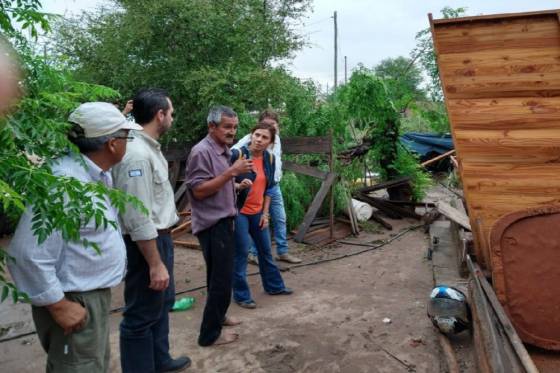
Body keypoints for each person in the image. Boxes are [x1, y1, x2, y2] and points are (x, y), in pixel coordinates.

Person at [7, 102, 143, 372]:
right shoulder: (66, 184)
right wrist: (57, 305)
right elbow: (25, 253)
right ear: (113, 144)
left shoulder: (93, 175)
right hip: (75, 299)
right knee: (79, 366)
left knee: (92, 364)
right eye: (126, 136)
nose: (128, 143)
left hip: (89, 296)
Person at [112, 89, 190, 372]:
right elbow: (137, 217)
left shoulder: (147, 147)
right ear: (160, 115)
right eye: (170, 112)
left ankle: (160, 360)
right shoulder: (136, 155)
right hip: (146, 244)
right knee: (140, 315)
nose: (172, 117)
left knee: (160, 304)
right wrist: (155, 263)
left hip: (160, 238)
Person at [185, 105, 252, 346]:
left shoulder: (222, 150)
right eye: (227, 127)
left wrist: (235, 186)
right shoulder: (201, 152)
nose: (232, 131)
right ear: (211, 126)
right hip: (213, 225)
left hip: (225, 220)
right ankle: (209, 335)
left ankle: (219, 316)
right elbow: (199, 190)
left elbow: (215, 184)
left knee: (218, 277)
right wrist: (231, 173)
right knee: (222, 280)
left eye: (234, 127)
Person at [231, 122, 293, 309]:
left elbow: (270, 189)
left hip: (258, 212)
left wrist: (265, 214)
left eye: (264, 137)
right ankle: (241, 295)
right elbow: (222, 179)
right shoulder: (237, 155)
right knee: (241, 253)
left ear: (271, 142)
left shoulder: (270, 159)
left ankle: (274, 286)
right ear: (251, 135)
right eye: (256, 135)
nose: (259, 140)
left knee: (265, 251)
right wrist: (237, 186)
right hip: (239, 212)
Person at [233, 109, 302, 265]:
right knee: (257, 219)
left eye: (273, 124)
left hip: (273, 185)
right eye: (267, 124)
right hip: (257, 185)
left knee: (280, 218)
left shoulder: (276, 140)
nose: (271, 127)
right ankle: (253, 253)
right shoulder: (251, 138)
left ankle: (282, 252)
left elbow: (276, 161)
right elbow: (233, 152)